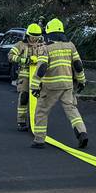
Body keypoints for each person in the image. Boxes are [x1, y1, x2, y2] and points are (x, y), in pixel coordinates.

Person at [31, 18, 88, 149]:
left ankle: (39, 140)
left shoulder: (46, 48)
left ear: (49, 33)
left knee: (41, 111)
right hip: (67, 85)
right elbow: (78, 65)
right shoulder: (71, 45)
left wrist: (34, 85)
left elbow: (42, 67)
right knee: (72, 110)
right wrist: (82, 81)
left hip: (50, 86)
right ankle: (82, 132)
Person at [8, 23, 45, 132]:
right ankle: (21, 121)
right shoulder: (20, 45)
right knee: (24, 98)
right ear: (28, 35)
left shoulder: (43, 45)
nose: (34, 39)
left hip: (38, 77)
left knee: (39, 100)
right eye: (32, 37)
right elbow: (10, 56)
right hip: (24, 76)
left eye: (37, 37)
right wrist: (23, 60)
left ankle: (35, 121)